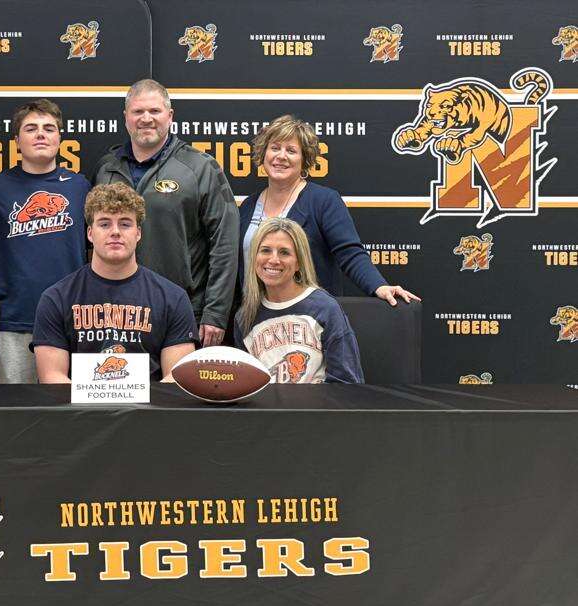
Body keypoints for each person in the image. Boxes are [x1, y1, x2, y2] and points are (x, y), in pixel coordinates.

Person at [92, 79, 238, 347]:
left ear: (170, 116)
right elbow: (90, 240)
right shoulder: (106, 168)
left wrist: (216, 312)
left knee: (175, 377)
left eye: (154, 111)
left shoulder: (200, 167)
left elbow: (224, 244)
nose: (146, 119)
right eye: (138, 111)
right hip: (116, 312)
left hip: (183, 311)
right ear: (126, 117)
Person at [239, 115, 419, 306]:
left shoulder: (323, 201)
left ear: (304, 160)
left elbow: (350, 253)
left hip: (310, 317)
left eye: (291, 150)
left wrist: (379, 286)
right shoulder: (249, 206)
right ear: (264, 154)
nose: (281, 156)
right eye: (275, 148)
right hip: (254, 315)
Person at [32, 183, 198, 382]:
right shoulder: (56, 298)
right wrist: (91, 400)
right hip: (75, 402)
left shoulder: (173, 298)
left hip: (151, 402)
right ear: (90, 233)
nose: (115, 232)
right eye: (104, 224)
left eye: (125, 224)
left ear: (138, 233)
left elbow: (177, 377)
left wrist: (139, 400)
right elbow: (52, 376)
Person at [0, 99, 89, 383]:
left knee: (70, 407)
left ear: (59, 138)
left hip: (72, 320)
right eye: (31, 129)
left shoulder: (80, 187)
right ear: (17, 140)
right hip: (15, 320)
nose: (41, 134)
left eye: (49, 128)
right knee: (15, 406)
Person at [234, 217, 363, 384]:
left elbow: (347, 383)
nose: (273, 260)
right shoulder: (245, 317)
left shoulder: (325, 309)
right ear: (254, 258)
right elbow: (246, 386)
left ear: (299, 263)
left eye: (284, 252)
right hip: (266, 402)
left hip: (318, 401)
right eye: (265, 250)